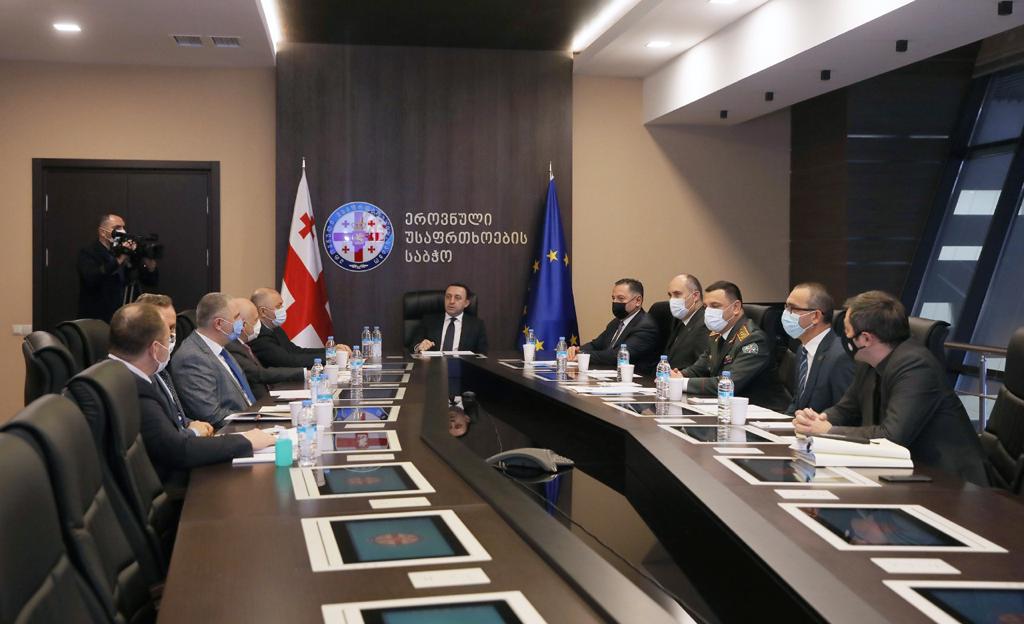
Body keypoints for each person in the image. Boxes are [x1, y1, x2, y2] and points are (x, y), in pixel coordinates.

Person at [793, 290, 987, 485]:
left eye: (847, 330)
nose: (843, 336)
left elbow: (892, 436)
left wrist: (829, 431)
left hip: (950, 481)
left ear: (866, 339)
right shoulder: (867, 361)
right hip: (902, 472)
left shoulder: (916, 367)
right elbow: (846, 408)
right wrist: (819, 420)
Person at [107, 302, 272, 492]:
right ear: (155, 348)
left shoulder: (120, 376)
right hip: (170, 486)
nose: (172, 342)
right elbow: (177, 450)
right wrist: (245, 441)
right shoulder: (134, 386)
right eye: (168, 336)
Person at [675, 281, 790, 411]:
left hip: (765, 414)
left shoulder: (753, 340)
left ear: (735, 307)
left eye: (715, 306)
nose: (708, 312)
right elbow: (698, 369)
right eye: (706, 306)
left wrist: (681, 383)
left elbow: (728, 384)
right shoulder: (717, 335)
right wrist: (678, 375)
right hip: (731, 409)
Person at [170, 292, 256, 428]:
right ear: (219, 324)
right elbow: (211, 415)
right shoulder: (192, 358)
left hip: (250, 422)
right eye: (236, 317)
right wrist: (254, 419)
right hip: (231, 431)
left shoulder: (221, 347)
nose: (242, 322)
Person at [783, 283, 853, 414]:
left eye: (792, 308)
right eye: (786, 307)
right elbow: (797, 403)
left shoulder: (840, 356)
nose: (786, 313)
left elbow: (846, 413)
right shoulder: (802, 350)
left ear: (815, 316)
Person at [569, 278, 661, 374]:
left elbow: (617, 356)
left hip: (636, 378)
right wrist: (577, 350)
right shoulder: (617, 322)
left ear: (638, 300)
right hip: (612, 374)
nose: (615, 302)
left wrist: (582, 356)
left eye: (621, 298)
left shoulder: (646, 326)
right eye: (613, 298)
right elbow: (596, 345)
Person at [77, 214, 158, 322]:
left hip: (126, 317)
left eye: (123, 227)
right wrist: (119, 260)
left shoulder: (127, 253)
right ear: (103, 232)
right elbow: (92, 277)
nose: (123, 231)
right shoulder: (88, 253)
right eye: (117, 228)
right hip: (98, 317)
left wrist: (150, 267)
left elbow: (150, 282)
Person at [226, 297, 304, 400]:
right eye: (255, 320)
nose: (260, 324)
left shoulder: (244, 345)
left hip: (269, 397)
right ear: (243, 325)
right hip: (258, 404)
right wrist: (302, 373)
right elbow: (258, 374)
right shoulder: (233, 347)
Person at [249, 287, 348, 367]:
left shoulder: (275, 329)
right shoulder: (259, 336)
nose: (283, 309)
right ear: (263, 311)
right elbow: (289, 361)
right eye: (278, 306)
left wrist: (331, 351)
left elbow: (295, 351)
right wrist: (331, 357)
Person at [408, 283, 489, 354]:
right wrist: (419, 347)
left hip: (463, 365)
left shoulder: (477, 325)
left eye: (457, 297)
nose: (451, 301)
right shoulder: (428, 321)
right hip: (433, 365)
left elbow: (482, 355)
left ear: (466, 303)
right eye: (448, 297)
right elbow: (413, 347)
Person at [663, 273, 708, 370]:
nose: (672, 300)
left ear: (695, 296)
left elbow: (704, 368)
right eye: (670, 295)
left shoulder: (705, 324)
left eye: (677, 294)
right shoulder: (680, 320)